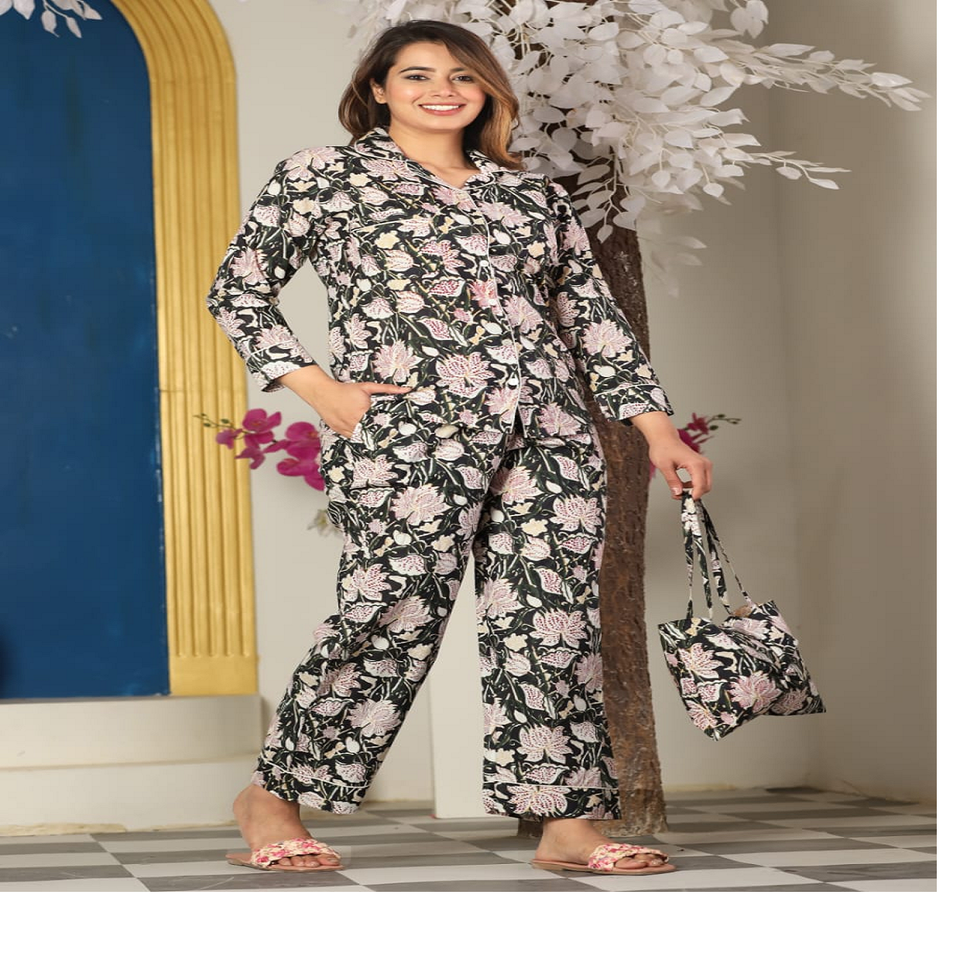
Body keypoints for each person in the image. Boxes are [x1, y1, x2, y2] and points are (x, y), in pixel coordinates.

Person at [206, 19, 711, 876]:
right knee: (389, 609)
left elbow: (592, 321)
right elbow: (239, 290)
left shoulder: (532, 197)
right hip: (410, 436)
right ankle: (273, 794)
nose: (442, 89)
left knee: (552, 623)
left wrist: (657, 429)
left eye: (462, 75)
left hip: (550, 433)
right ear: (378, 89)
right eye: (417, 74)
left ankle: (565, 822)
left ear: (486, 91)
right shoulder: (322, 176)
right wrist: (321, 389)